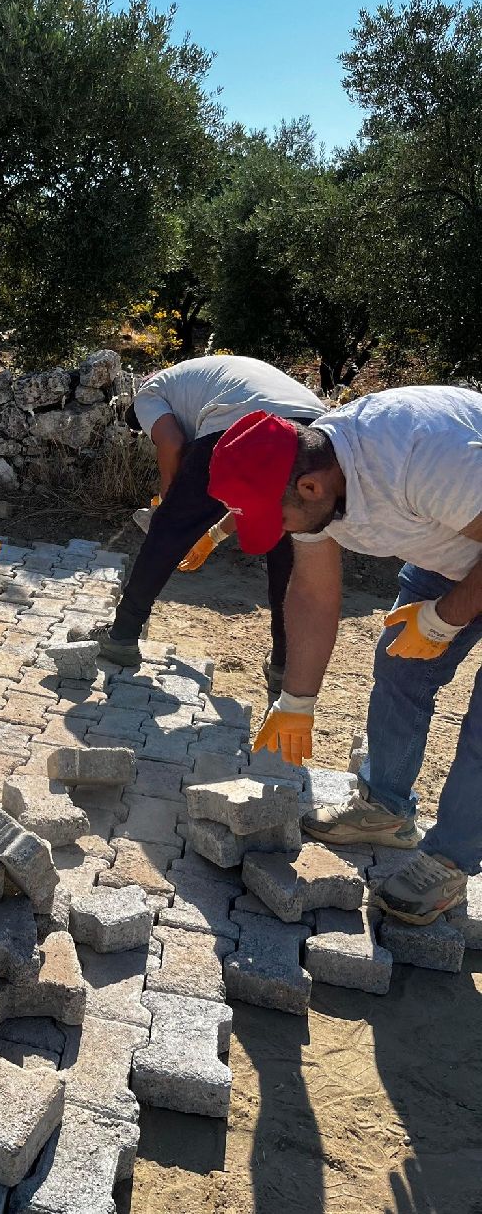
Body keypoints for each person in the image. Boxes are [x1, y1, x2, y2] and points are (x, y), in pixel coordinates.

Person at [209, 388, 482, 924]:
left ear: (310, 487)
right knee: (402, 664)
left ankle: (451, 858)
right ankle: (386, 810)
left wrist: (445, 616)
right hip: (457, 541)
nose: (281, 530)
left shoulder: (422, 456)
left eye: (279, 518)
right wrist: (297, 697)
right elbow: (312, 591)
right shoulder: (316, 479)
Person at [84, 355, 325, 693]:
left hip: (240, 426)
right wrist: (212, 535)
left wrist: (168, 499)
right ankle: (285, 665)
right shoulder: (203, 376)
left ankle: (122, 636)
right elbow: (252, 500)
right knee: (289, 554)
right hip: (315, 435)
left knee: (167, 531)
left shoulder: (148, 393)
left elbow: (171, 442)